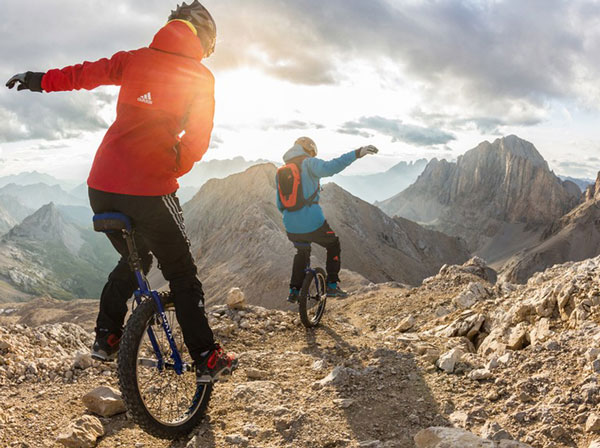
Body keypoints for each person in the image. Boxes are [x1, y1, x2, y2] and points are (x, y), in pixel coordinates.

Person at [5, 1, 237, 382]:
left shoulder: (134, 59)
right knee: (181, 273)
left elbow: (85, 74)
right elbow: (196, 142)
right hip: (148, 188)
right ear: (204, 39)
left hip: (100, 186)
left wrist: (36, 79)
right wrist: (170, 167)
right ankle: (207, 357)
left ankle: (107, 336)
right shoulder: (199, 76)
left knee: (137, 260)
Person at [276, 137, 378, 303]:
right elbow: (331, 167)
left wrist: (293, 218)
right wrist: (357, 153)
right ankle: (331, 285)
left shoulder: (282, 170)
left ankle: (293, 290)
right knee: (333, 243)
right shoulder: (309, 163)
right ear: (309, 149)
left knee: (301, 251)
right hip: (312, 222)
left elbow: (280, 204)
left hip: (291, 225)